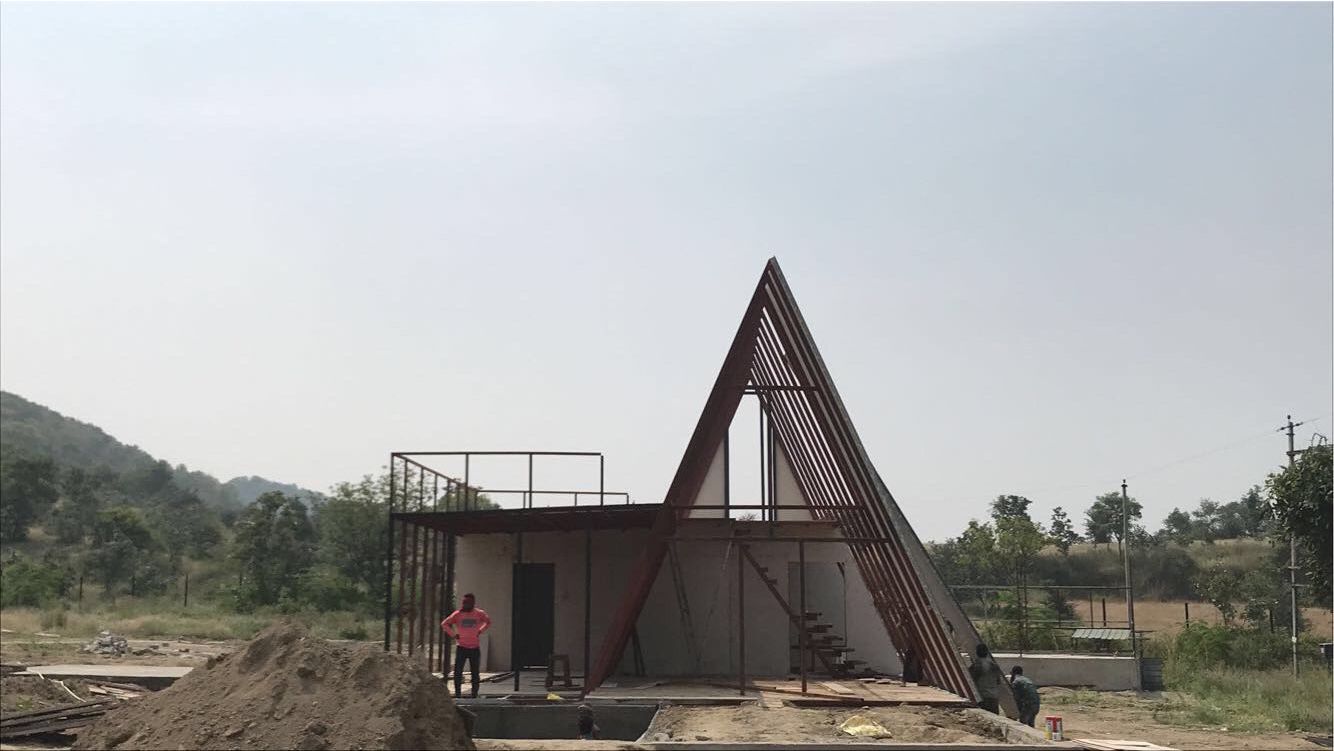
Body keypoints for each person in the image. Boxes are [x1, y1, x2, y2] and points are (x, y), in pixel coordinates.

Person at [442, 593, 492, 699]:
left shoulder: (479, 614)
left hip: (474, 648)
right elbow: (444, 624)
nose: (465, 604)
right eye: (464, 602)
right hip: (462, 647)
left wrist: (480, 630)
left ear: (472, 603)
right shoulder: (457, 614)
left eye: (467, 603)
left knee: (475, 673)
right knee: (458, 672)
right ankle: (458, 694)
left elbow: (488, 622)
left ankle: (474, 694)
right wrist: (454, 634)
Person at [967, 643, 1004, 714]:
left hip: (982, 697)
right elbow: (998, 682)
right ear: (987, 653)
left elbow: (970, 681)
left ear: (977, 652)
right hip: (994, 697)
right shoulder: (994, 665)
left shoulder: (977, 665)